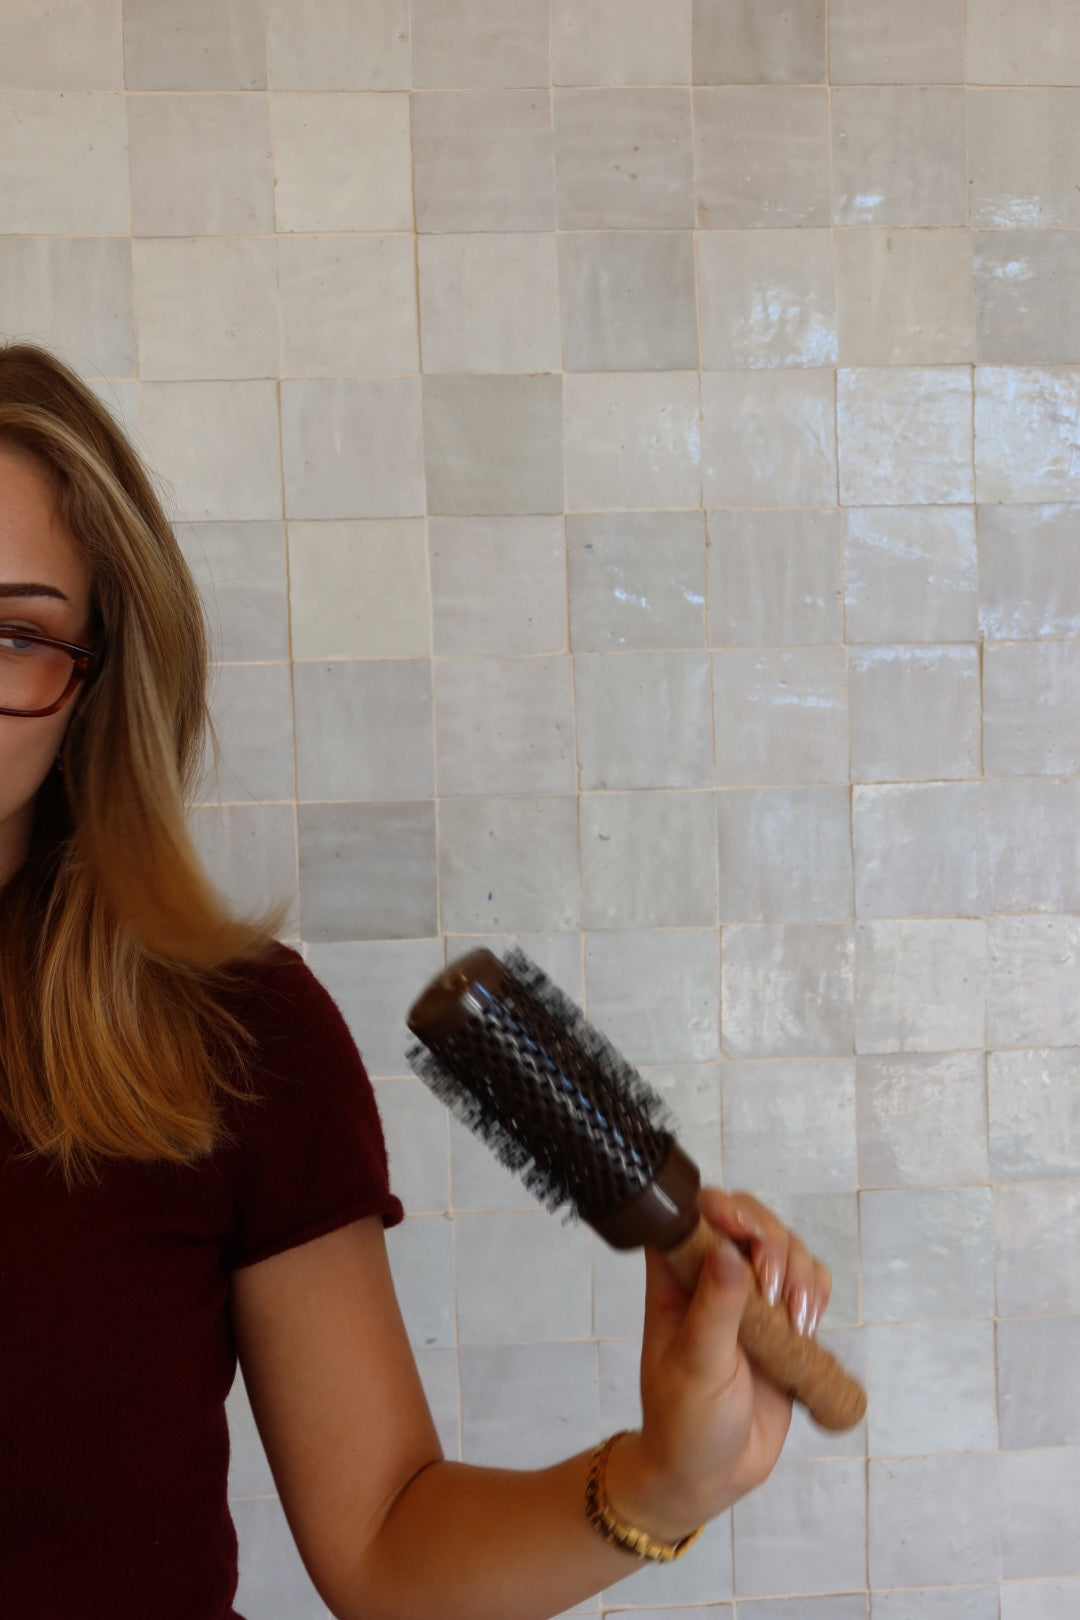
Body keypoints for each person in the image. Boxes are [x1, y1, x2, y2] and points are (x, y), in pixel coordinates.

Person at [0, 341, 831, 1620]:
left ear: (95, 681)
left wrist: (662, 1483)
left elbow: (384, 1545)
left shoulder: (230, 1042)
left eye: (15, 632)